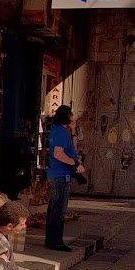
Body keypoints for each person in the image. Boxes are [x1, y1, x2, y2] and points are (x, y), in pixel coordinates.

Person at [45, 105, 84, 252]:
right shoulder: (61, 133)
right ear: (66, 116)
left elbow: (72, 150)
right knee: (59, 209)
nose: (73, 118)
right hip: (60, 175)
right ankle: (55, 241)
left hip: (58, 174)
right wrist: (74, 163)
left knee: (55, 207)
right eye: (71, 115)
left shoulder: (61, 131)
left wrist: (74, 131)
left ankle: (52, 239)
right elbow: (58, 154)